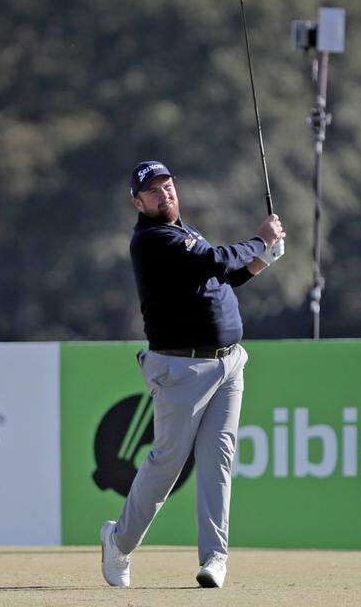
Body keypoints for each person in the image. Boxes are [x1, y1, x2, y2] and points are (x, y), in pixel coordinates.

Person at [101, 160, 284, 589]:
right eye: (154, 190)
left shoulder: (186, 232)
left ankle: (215, 559)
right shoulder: (152, 240)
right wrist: (261, 238)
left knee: (218, 459)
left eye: (168, 186)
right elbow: (216, 261)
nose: (164, 194)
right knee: (167, 463)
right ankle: (119, 543)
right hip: (181, 368)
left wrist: (263, 260)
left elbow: (224, 278)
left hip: (229, 364)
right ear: (138, 201)